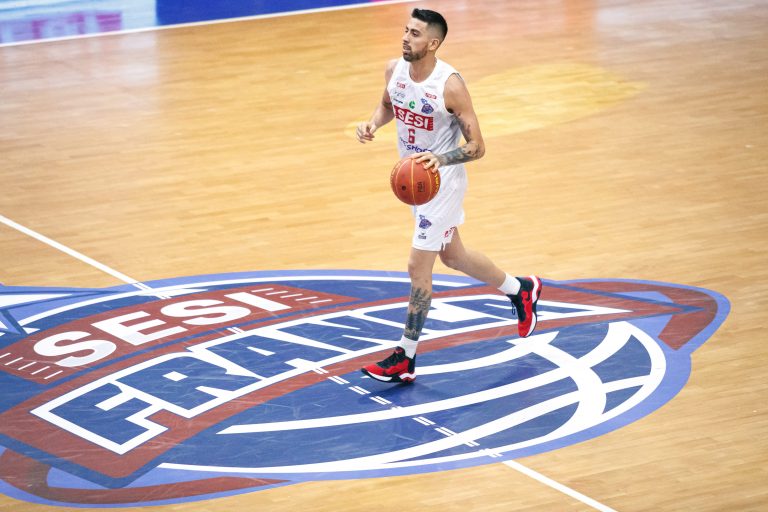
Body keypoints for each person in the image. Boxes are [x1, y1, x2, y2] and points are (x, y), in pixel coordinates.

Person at [356, 8, 541, 383]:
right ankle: (520, 289)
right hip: (417, 183)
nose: (405, 37)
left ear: (433, 43)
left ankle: (405, 357)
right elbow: (388, 106)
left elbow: (477, 147)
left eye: (415, 34)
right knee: (454, 256)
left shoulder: (450, 86)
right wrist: (372, 123)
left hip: (442, 184)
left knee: (417, 268)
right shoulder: (394, 70)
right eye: (405, 30)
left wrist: (440, 159)